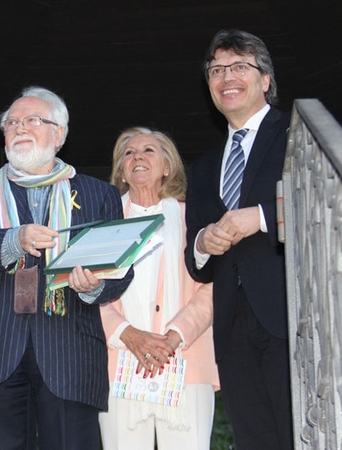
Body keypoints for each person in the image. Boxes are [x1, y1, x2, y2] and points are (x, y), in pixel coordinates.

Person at [0, 86, 133, 450]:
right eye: (11, 122)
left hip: (70, 354)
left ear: (58, 133)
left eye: (33, 120)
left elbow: (120, 269)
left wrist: (92, 286)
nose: (19, 127)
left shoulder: (99, 194)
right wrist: (14, 240)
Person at [184, 29, 293, 449]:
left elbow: (328, 202)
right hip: (231, 326)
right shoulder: (204, 166)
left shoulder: (299, 135)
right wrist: (202, 243)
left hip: (290, 314)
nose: (226, 77)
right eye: (216, 69)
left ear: (265, 79)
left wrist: (264, 217)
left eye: (239, 66)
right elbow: (195, 261)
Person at [99, 127, 219, 450]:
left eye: (148, 150)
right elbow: (90, 292)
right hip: (118, 364)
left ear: (167, 166)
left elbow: (212, 285)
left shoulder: (192, 218)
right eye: (128, 153)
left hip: (185, 361)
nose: (137, 157)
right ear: (122, 171)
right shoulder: (103, 224)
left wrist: (174, 336)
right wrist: (129, 334)